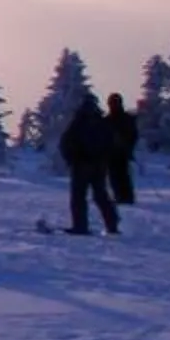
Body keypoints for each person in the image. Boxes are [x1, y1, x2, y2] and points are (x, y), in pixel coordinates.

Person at [58, 95, 120, 235]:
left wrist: (71, 160)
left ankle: (80, 226)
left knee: (78, 197)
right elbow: (112, 143)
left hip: (81, 166)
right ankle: (112, 224)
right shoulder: (102, 123)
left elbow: (66, 143)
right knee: (100, 195)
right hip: (99, 165)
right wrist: (105, 159)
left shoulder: (78, 122)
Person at [105, 93, 140, 207]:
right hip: (114, 152)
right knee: (119, 175)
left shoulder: (114, 119)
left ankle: (124, 197)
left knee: (119, 175)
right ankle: (123, 196)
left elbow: (133, 135)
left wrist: (128, 145)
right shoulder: (114, 119)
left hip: (118, 152)